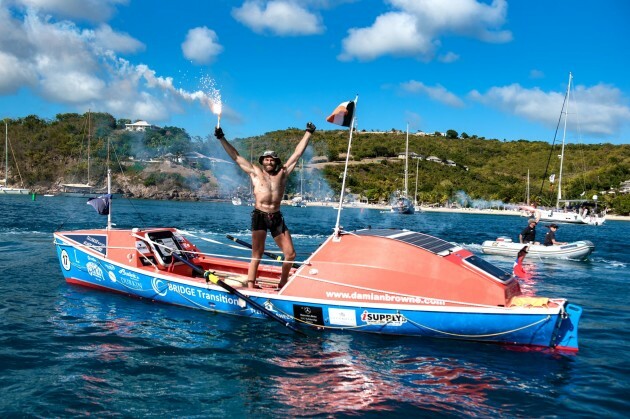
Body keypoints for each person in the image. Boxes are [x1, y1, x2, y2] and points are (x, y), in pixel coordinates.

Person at [215, 122, 316, 289]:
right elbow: (236, 156)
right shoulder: (255, 172)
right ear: (263, 161)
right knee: (257, 253)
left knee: (290, 254)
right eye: (266, 159)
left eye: (272, 159)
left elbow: (297, 154)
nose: (269, 161)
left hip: (276, 217)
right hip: (259, 216)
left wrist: (308, 133)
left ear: (276, 161)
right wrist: (221, 138)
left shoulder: (282, 174)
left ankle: (283, 283)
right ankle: (251, 286)